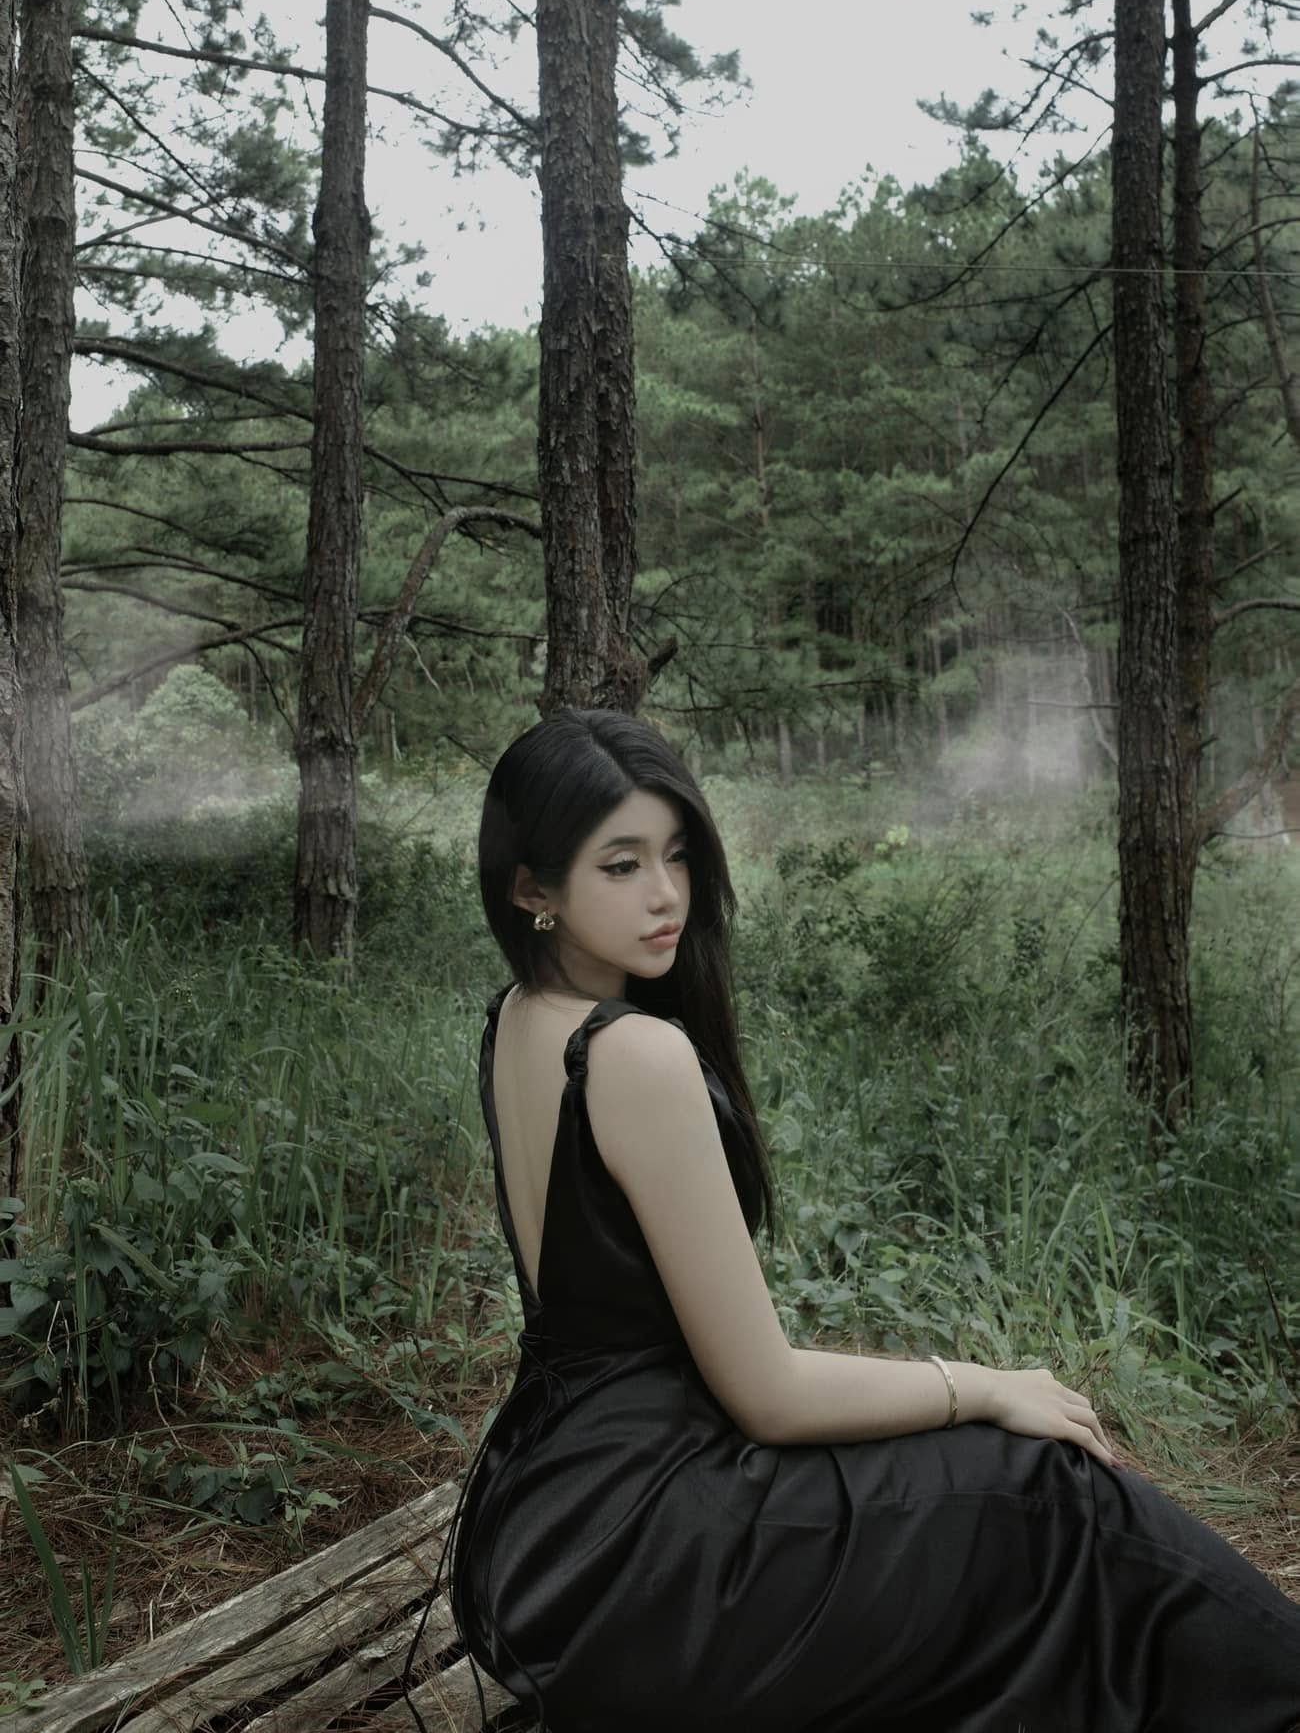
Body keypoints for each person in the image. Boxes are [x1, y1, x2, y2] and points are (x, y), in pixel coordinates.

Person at [406, 707, 1300, 1733]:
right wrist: (983, 1384)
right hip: (650, 1557)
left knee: (1005, 1515)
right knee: (1051, 1490)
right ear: (532, 888)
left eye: (677, 853)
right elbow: (770, 1396)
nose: (666, 893)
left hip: (541, 1532)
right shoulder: (635, 1054)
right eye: (621, 864)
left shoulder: (519, 1018)